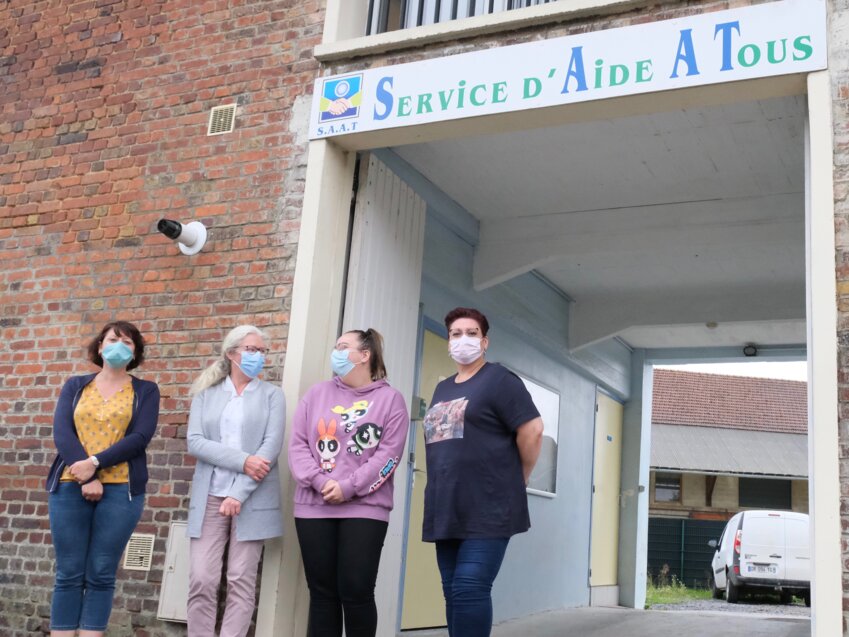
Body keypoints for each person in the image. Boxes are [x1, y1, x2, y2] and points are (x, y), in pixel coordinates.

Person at [422, 307, 544, 637]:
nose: (463, 339)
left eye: (471, 333)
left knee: (469, 588)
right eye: (456, 334)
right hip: (445, 505)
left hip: (488, 504)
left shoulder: (499, 380)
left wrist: (520, 477)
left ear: (485, 341)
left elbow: (532, 429)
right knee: (453, 592)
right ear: (448, 342)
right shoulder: (442, 388)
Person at [288, 328, 409, 637]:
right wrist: (318, 481)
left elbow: (388, 456)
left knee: (356, 591)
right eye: (336, 346)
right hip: (313, 507)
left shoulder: (390, 400)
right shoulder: (317, 394)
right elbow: (299, 445)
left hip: (365, 508)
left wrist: (348, 487)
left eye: (343, 346)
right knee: (322, 593)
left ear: (364, 355)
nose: (336, 352)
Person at [46, 320, 160, 637]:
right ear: (100, 346)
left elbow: (140, 437)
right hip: (70, 485)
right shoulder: (75, 386)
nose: (118, 346)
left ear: (135, 352)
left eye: (127, 342)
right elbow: (62, 432)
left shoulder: (145, 391)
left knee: (101, 572)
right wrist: (85, 477)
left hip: (122, 490)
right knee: (68, 572)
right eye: (112, 339)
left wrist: (94, 464)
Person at [185, 325, 286, 637]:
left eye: (261, 351)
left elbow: (270, 448)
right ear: (231, 354)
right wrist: (242, 460)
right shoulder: (206, 396)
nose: (258, 356)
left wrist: (238, 494)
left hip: (252, 498)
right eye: (251, 349)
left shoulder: (273, 396)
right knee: (202, 578)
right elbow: (196, 442)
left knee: (241, 579)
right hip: (211, 495)